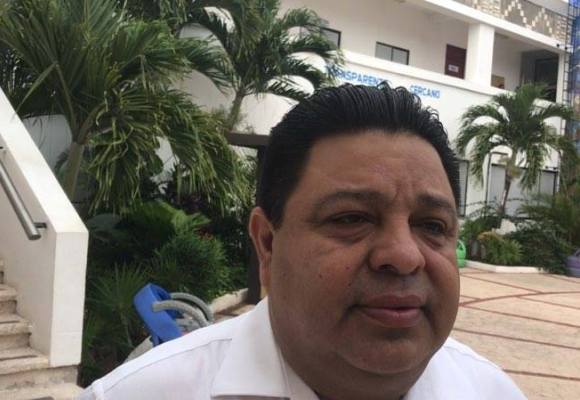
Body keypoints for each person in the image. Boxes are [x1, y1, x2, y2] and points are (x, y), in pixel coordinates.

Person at [78, 83, 527, 400]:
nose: (405, 255)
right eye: (351, 218)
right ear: (267, 244)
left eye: (432, 226)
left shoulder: (493, 392)